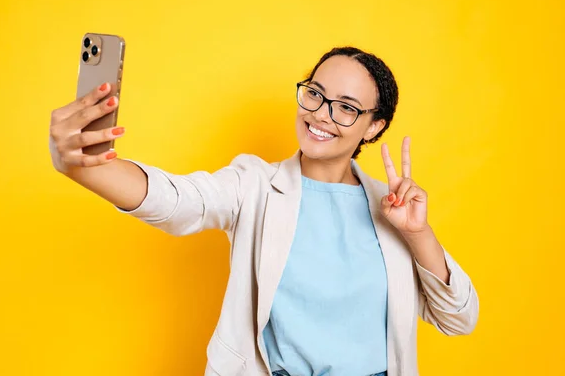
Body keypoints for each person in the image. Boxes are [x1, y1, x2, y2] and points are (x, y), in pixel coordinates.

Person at [49, 46, 479, 376]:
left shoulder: (395, 209)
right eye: (315, 94)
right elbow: (178, 201)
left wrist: (418, 234)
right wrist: (80, 164)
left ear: (374, 126)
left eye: (346, 108)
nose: (321, 115)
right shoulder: (253, 184)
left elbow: (459, 319)